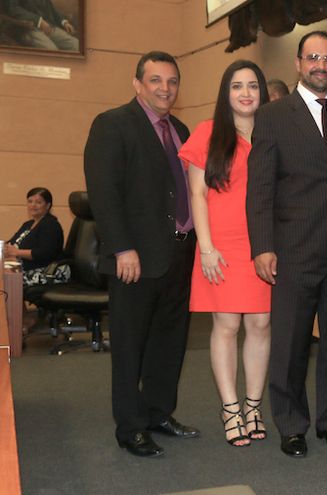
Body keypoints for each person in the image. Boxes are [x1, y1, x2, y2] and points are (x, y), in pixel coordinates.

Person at [246, 30, 327, 459]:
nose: (321, 65)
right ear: (298, 63)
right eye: (313, 57)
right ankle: (292, 425)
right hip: (294, 249)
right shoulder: (273, 115)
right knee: (291, 344)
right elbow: (260, 187)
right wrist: (262, 245)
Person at [84, 51, 199, 458]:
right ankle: (131, 427)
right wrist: (122, 247)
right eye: (155, 80)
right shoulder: (113, 124)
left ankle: (158, 413)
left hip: (180, 253)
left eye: (172, 81)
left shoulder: (181, 130)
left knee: (170, 341)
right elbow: (104, 192)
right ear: (137, 84)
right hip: (134, 258)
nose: (165, 89)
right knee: (131, 345)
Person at [177, 60, 272, 448]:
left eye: (252, 85)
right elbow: (197, 194)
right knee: (227, 326)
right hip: (222, 246)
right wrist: (206, 248)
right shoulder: (208, 132)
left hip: (263, 244)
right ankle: (231, 408)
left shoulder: (273, 132)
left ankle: (254, 406)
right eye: (237, 86)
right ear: (225, 93)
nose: (245, 93)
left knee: (261, 325)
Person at [5, 187, 66, 287]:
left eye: (38, 202)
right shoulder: (28, 224)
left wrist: (17, 252)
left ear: (48, 205)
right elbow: (11, 243)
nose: (33, 205)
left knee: (5, 278)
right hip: (22, 268)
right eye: (30, 201)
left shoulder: (50, 225)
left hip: (45, 271)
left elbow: (44, 253)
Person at [4, 0, 79, 51]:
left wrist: (64, 22)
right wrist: (38, 21)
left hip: (48, 26)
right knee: (52, 51)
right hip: (27, 28)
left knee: (76, 45)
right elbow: (12, 9)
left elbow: (50, 8)